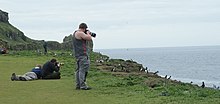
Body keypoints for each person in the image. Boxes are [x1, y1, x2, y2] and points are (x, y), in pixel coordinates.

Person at [72, 23, 94, 90]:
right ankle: (83, 85)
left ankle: (78, 85)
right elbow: (89, 38)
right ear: (84, 28)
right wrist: (88, 33)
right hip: (82, 54)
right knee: (83, 70)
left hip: (78, 54)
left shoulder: (75, 33)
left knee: (78, 70)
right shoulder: (80, 33)